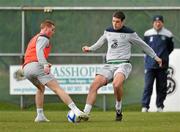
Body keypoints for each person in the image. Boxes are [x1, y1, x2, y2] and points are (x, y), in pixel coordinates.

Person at [82, 11, 162, 121]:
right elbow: (100, 43)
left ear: (123, 22)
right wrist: (90, 48)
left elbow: (143, 45)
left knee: (116, 84)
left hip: (123, 64)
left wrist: (155, 57)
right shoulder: (108, 31)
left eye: (117, 22)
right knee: (94, 85)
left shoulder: (130, 33)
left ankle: (118, 107)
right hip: (109, 65)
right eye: (113, 21)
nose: (115, 24)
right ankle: (85, 113)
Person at [22, 20, 87, 122]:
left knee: (40, 88)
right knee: (57, 88)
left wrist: (44, 62)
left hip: (26, 69)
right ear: (46, 28)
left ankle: (40, 115)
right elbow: (39, 51)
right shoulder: (44, 37)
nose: (53, 32)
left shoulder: (34, 38)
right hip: (37, 66)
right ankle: (76, 111)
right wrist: (44, 64)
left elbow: (32, 53)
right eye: (52, 30)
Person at [141, 15, 174, 112]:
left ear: (162, 23)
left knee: (162, 87)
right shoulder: (147, 34)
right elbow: (144, 48)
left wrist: (162, 57)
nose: (158, 23)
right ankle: (145, 106)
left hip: (162, 65)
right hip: (150, 65)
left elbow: (170, 49)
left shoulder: (168, 34)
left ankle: (160, 106)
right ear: (153, 23)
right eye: (156, 22)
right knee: (148, 86)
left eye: (159, 21)